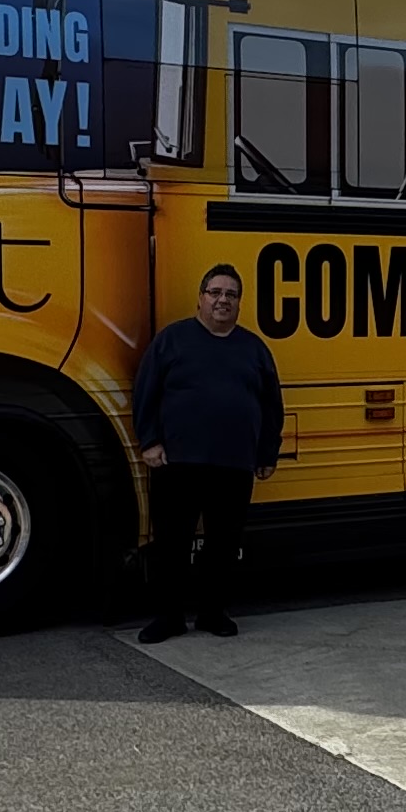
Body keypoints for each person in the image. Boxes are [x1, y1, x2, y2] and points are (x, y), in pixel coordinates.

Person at [131, 262, 281, 641]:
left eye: (231, 294)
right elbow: (145, 392)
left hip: (234, 464)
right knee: (172, 544)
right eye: (215, 292)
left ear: (239, 303)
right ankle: (169, 618)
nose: (222, 300)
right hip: (176, 462)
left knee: (224, 546)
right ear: (200, 298)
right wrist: (149, 442)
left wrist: (266, 454)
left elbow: (271, 405)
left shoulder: (254, 348)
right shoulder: (172, 340)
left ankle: (213, 614)